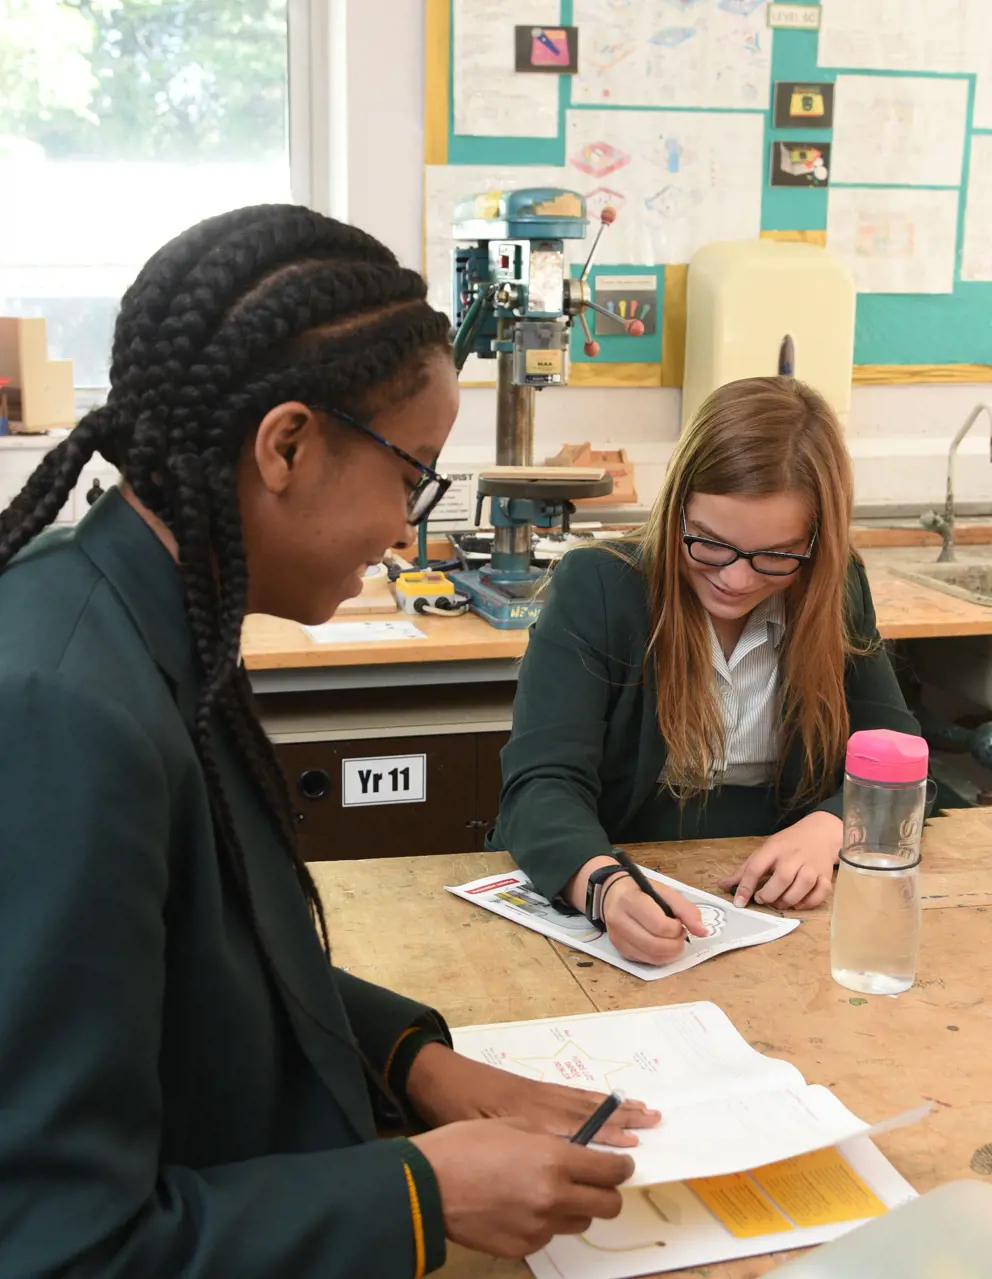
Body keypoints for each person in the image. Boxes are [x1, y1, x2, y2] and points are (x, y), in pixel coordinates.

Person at [0, 206, 658, 1278]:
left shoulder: (157, 617)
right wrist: (422, 1193)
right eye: (412, 476)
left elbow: (203, 965)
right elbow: (58, 1246)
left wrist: (409, 1060)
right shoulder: (61, 709)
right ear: (287, 444)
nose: (407, 529)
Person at [490, 376, 921, 966]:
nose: (736, 579)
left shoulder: (834, 588)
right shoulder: (601, 586)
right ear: (676, 511)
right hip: (621, 878)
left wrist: (830, 828)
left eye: (776, 555)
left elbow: (899, 761)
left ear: (816, 545)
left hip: (778, 916)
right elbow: (541, 786)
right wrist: (603, 887)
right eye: (710, 544)